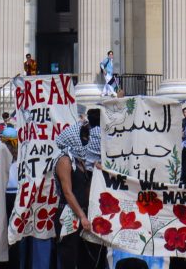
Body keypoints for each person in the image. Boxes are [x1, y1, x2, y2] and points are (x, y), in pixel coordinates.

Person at [53, 110, 104, 269]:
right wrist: (81, 216)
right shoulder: (64, 161)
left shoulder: (81, 162)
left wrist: (96, 172)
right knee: (69, 259)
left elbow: (85, 189)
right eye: (83, 139)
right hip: (70, 215)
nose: (86, 142)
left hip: (82, 215)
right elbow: (68, 192)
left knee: (86, 260)